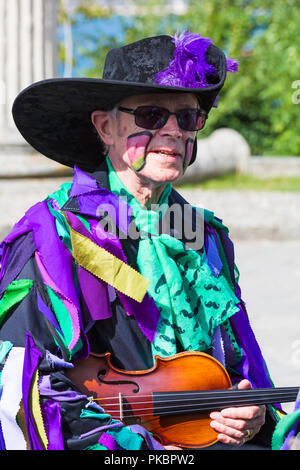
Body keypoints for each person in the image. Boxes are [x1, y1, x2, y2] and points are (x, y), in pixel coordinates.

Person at [0, 31, 282, 451]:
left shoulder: (206, 238)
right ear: (106, 127)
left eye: (187, 118)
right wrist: (139, 450)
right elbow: (27, 386)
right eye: (152, 115)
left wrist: (249, 412)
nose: (173, 131)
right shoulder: (52, 237)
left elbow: (235, 364)